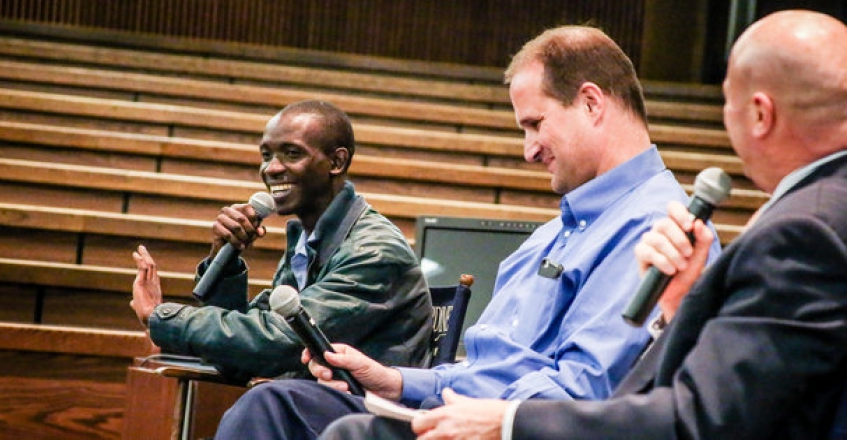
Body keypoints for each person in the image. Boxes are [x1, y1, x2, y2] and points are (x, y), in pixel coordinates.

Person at [320, 9, 847, 439]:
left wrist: (509, 422)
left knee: (342, 431)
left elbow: (705, 418)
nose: (527, 151)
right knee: (301, 406)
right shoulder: (817, 214)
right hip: (494, 413)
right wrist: (679, 310)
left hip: (537, 426)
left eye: (724, 104)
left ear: (759, 114)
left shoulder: (803, 230)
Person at [212, 25, 721, 439]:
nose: (529, 150)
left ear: (591, 103)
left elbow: (588, 391)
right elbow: (483, 367)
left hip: (509, 429)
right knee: (277, 404)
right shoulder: (549, 235)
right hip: (463, 412)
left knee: (337, 431)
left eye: (535, 124)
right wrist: (391, 381)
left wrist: (492, 416)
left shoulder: (658, 227)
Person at [129, 100, 433, 383]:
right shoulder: (309, 242)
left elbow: (281, 340)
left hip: (366, 419)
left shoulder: (374, 251)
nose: (271, 168)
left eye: (292, 153)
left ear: (336, 162)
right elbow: (244, 359)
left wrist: (161, 316)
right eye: (266, 155)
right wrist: (224, 264)